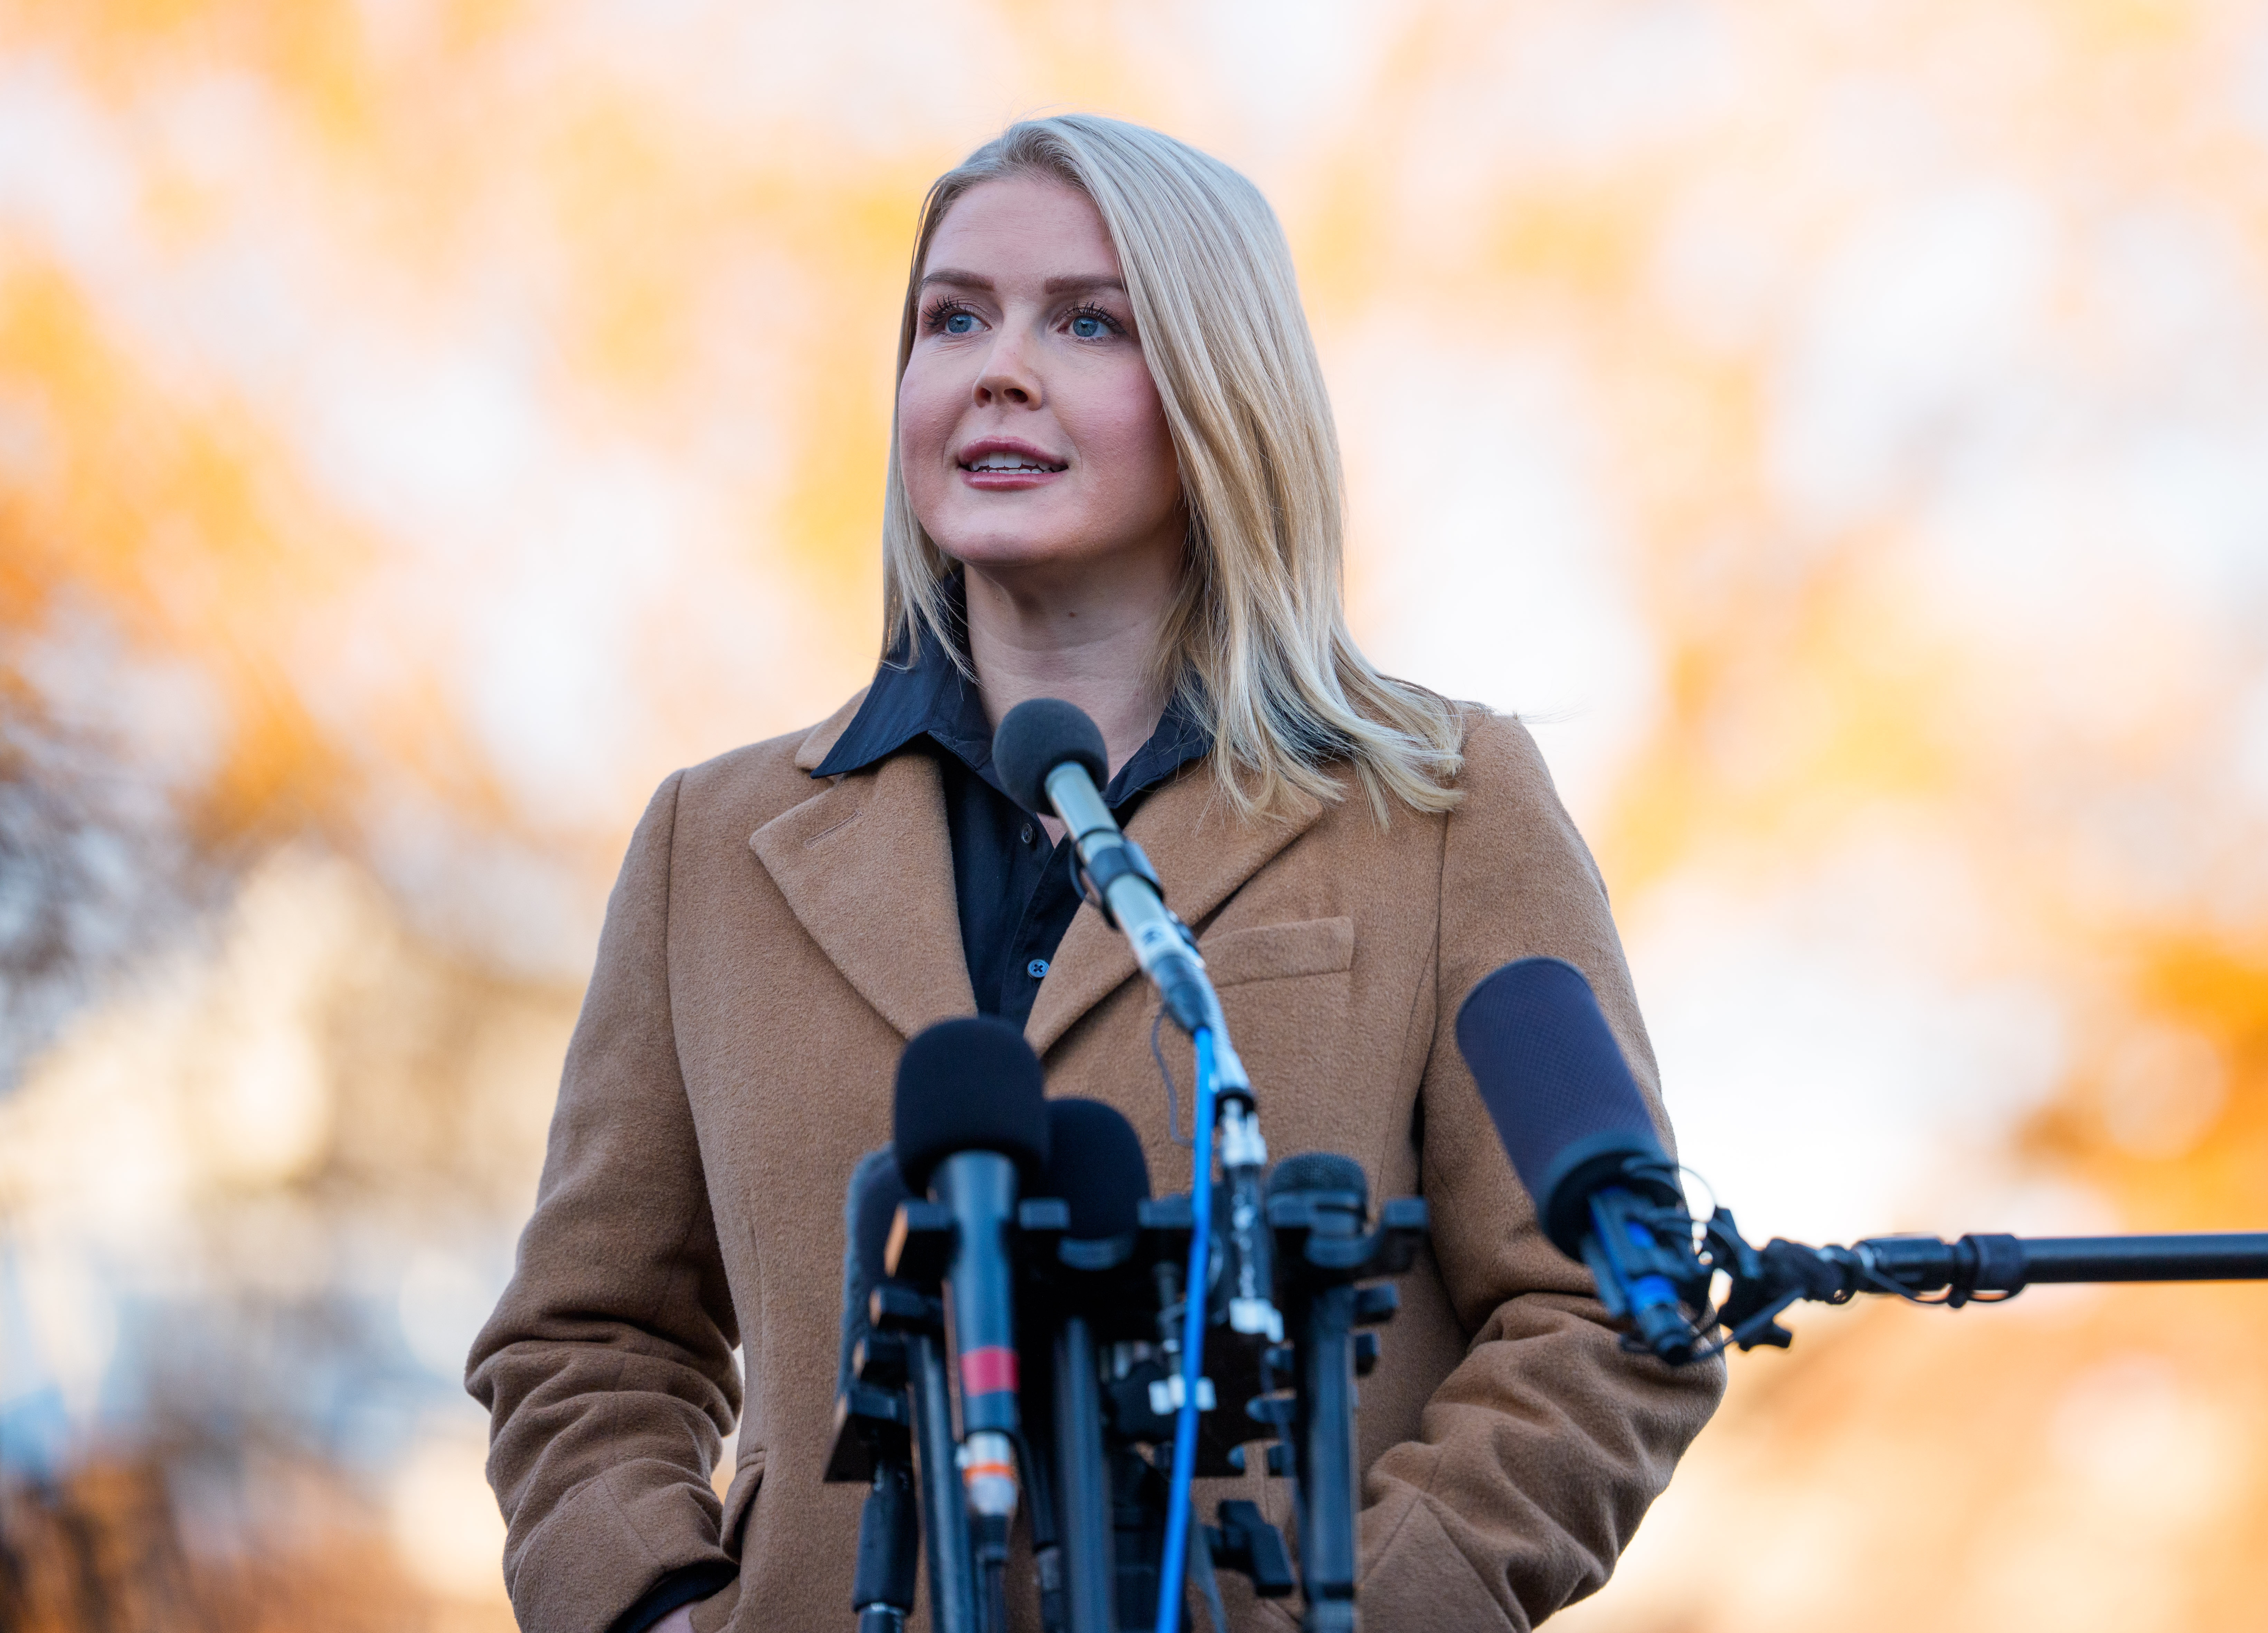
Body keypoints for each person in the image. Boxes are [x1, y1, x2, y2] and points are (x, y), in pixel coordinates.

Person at [468, 114, 1722, 1633]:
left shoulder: (1440, 803)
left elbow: (1606, 1313)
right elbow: (585, 1337)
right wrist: (654, 1604)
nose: (998, 366)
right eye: (951, 318)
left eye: (1085, 320)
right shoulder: (711, 844)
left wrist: (1367, 1613)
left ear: (1218, 387)